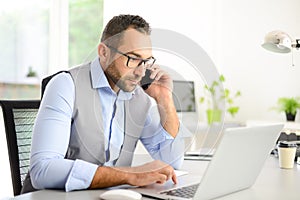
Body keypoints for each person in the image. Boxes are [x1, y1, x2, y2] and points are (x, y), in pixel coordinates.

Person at [22, 14, 191, 193]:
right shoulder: (66, 84)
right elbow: (43, 170)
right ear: (104, 52)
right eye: (133, 58)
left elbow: (172, 162)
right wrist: (131, 175)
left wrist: (165, 99)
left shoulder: (139, 98)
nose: (141, 72)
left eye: (145, 61)